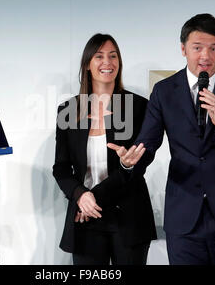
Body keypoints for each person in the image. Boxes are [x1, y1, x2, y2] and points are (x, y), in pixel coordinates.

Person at [109, 13, 215, 264]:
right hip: (185, 218)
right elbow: (147, 146)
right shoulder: (164, 91)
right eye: (197, 48)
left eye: (214, 48)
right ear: (183, 49)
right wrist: (129, 163)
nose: (206, 55)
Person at [52, 33, 156, 265]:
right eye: (99, 56)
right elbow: (61, 168)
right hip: (86, 218)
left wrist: (91, 197)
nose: (107, 62)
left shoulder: (138, 107)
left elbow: (140, 164)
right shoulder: (68, 110)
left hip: (127, 217)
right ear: (88, 65)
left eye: (113, 56)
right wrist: (80, 195)